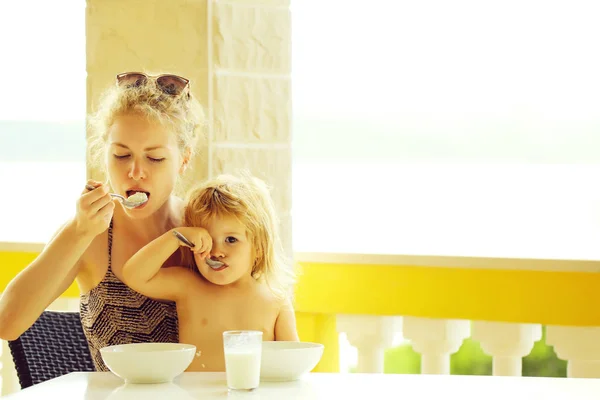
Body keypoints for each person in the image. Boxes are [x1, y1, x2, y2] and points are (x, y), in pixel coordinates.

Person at [0, 71, 205, 371]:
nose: (135, 171)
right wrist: (78, 232)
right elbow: (7, 323)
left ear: (184, 159)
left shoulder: (207, 227)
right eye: (121, 155)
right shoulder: (91, 235)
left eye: (155, 158)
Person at [121, 173, 299, 371]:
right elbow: (134, 275)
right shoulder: (188, 285)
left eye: (231, 240)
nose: (216, 252)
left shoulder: (275, 301)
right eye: (206, 240)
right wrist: (176, 237)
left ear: (258, 247)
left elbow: (292, 365)